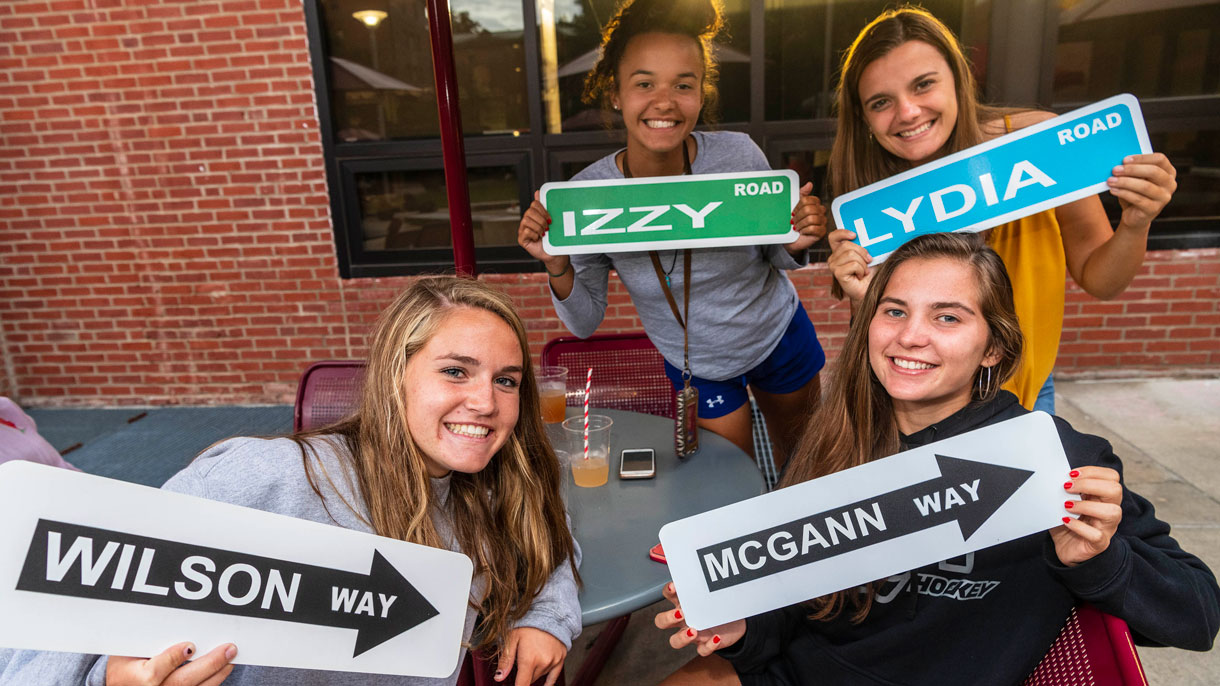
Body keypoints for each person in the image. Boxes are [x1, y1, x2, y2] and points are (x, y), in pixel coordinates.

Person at [654, 233, 1220, 685]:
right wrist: (743, 626)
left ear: (992, 347)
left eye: (947, 317)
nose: (911, 336)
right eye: (894, 311)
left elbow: (1198, 614)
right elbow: (796, 606)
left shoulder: (1050, 457)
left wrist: (1097, 560)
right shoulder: (836, 435)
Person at [0, 277, 582, 686]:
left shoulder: (488, 491)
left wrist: (544, 619)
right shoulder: (265, 477)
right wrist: (109, 679)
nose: (485, 401)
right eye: (455, 371)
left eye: (506, 381)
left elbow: (549, 538)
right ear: (394, 377)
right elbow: (45, 629)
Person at [517, 0, 827, 468]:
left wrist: (794, 242)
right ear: (617, 94)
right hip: (698, 366)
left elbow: (774, 252)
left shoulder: (739, 156)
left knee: (807, 465)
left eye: (683, 85)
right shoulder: (585, 196)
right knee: (732, 481)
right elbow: (584, 322)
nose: (664, 102)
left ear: (701, 94)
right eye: (644, 84)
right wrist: (557, 264)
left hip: (778, 334)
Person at [824, 7, 1179, 414]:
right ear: (864, 117)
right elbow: (875, 332)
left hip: (1023, 391)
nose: (907, 112)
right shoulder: (867, 193)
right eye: (881, 102)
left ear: (959, 81)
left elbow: (1103, 280)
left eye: (923, 85)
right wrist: (859, 293)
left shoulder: (1037, 141)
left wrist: (1136, 223)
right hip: (915, 396)